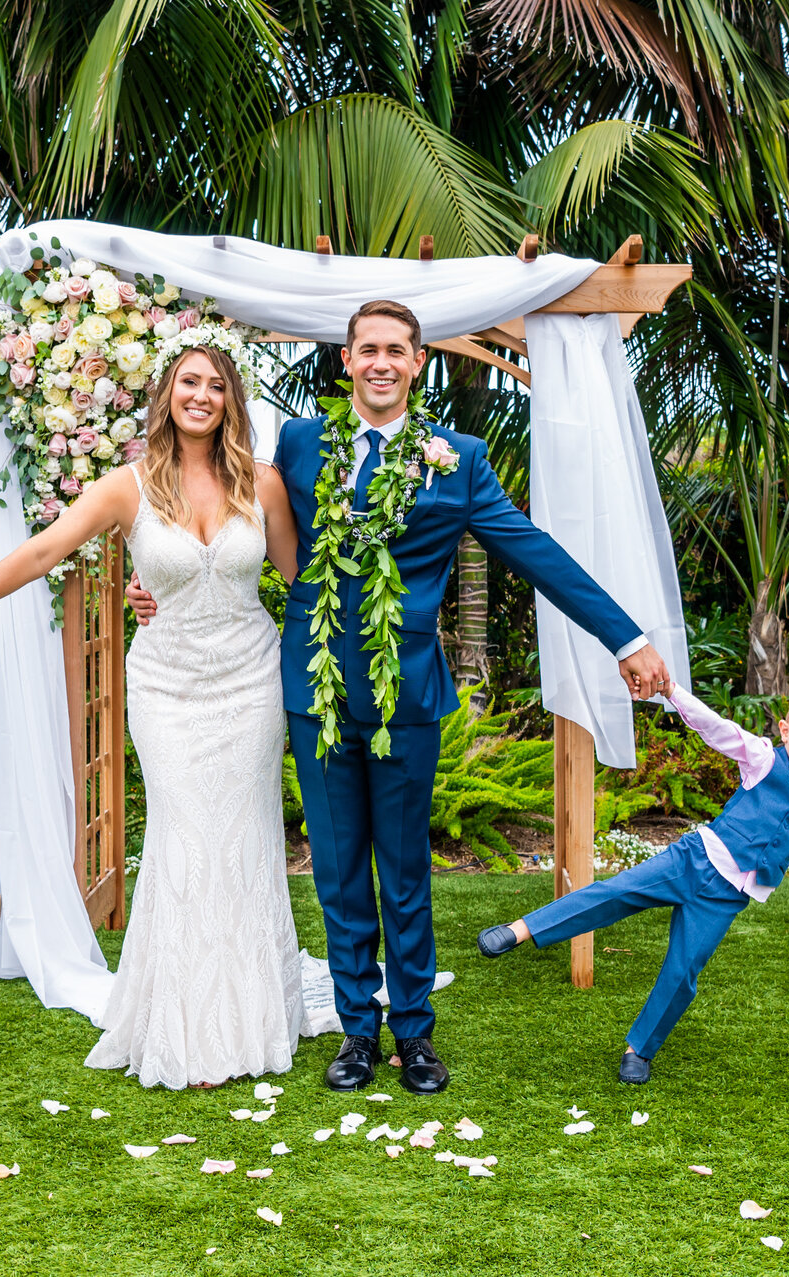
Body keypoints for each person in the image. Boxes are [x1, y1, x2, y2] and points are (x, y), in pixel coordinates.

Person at [131, 299, 671, 1094]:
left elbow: (535, 553)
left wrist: (626, 637)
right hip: (314, 693)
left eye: (396, 350)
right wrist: (157, 596)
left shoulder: (460, 458)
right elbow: (217, 521)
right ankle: (357, 1030)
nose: (381, 361)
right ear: (345, 362)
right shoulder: (299, 445)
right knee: (340, 872)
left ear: (418, 363)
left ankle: (413, 1033)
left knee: (404, 870)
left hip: (408, 696)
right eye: (367, 349)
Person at [0, 343, 312, 1090]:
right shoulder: (127, 487)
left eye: (216, 385)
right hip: (167, 686)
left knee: (245, 834)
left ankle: (251, 1012)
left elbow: (304, 583)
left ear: (231, 401)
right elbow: (40, 552)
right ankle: (184, 1022)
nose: (202, 394)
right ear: (166, 395)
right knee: (185, 833)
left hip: (251, 680)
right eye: (189, 381)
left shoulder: (265, 483)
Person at [477, 681, 789, 1083]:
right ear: (786, 731)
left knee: (683, 973)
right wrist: (672, 692)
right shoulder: (762, 759)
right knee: (613, 893)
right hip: (694, 860)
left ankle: (638, 1050)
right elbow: (715, 727)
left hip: (726, 898)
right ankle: (522, 930)